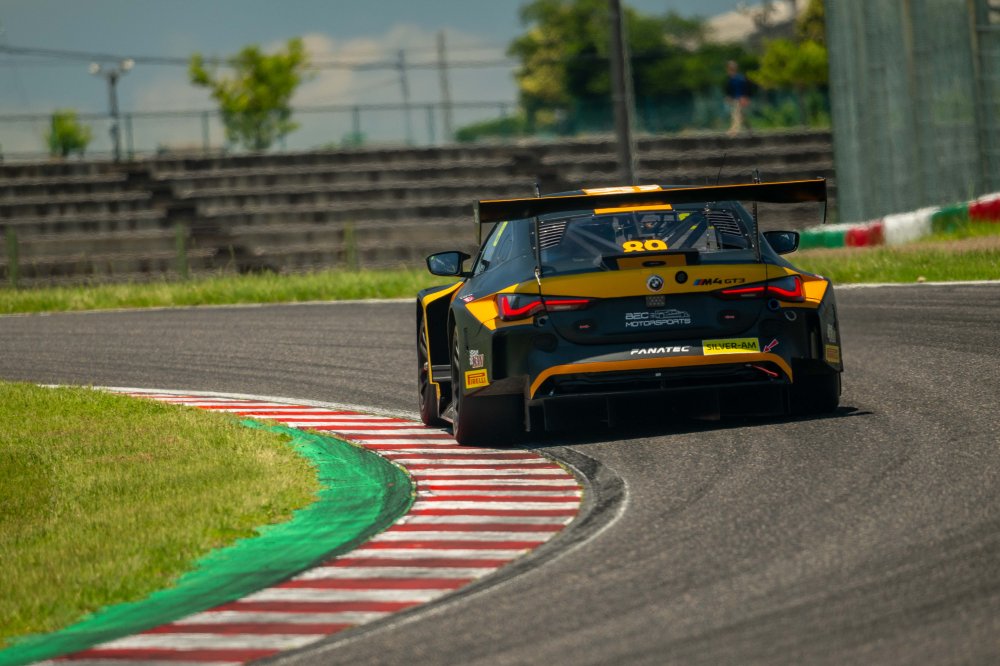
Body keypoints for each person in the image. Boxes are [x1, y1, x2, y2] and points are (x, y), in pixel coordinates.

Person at [724, 60, 753, 136]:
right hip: (735, 99)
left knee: (736, 115)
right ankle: (749, 129)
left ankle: (734, 131)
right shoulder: (731, 79)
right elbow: (730, 90)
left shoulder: (740, 78)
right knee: (741, 115)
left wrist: (745, 98)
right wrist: (729, 97)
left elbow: (747, 89)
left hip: (740, 99)